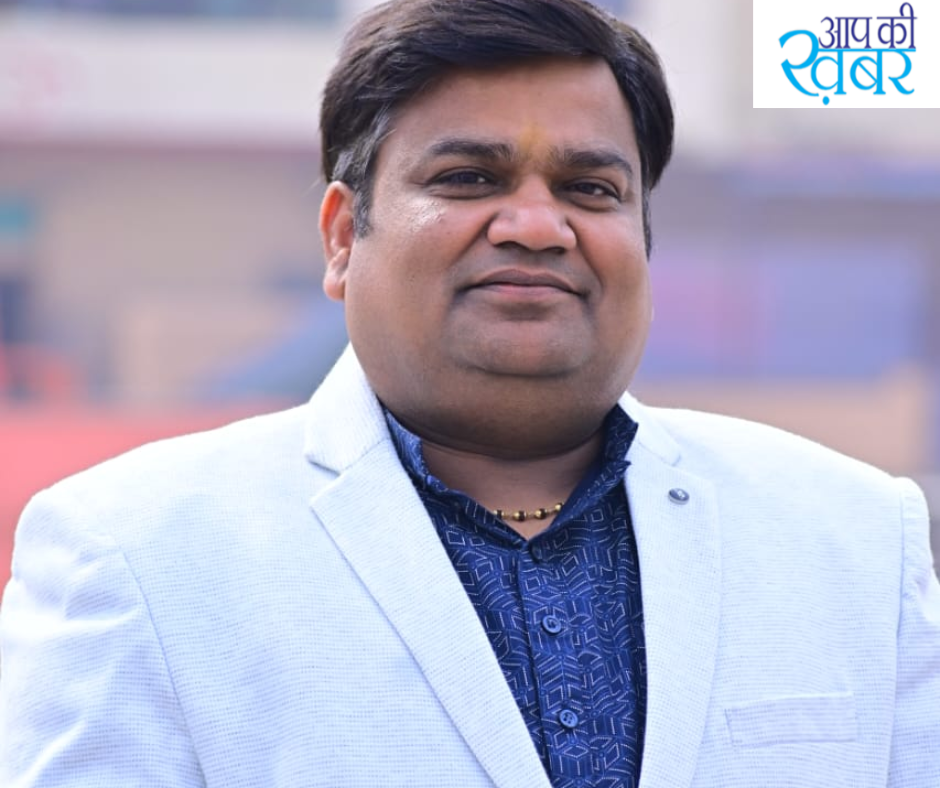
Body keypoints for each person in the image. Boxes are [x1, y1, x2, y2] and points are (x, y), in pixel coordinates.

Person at [2, 0, 939, 785]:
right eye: (467, 178)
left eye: (590, 188)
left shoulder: (853, 541)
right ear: (343, 236)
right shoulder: (138, 558)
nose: (537, 225)